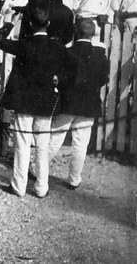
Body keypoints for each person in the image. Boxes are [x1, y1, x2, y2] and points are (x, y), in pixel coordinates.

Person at [0, 1, 68, 198]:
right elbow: (69, 68)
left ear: (31, 24)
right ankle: (42, 188)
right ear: (47, 24)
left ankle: (19, 186)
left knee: (22, 144)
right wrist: (58, 78)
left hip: (24, 101)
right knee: (42, 146)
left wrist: (11, 22)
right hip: (45, 102)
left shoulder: (24, 45)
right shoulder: (57, 47)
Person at [48, 18, 110, 189]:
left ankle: (36, 169)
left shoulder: (68, 52)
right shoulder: (100, 56)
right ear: (93, 34)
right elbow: (102, 80)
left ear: (76, 32)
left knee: (55, 138)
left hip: (68, 103)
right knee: (81, 144)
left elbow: (59, 78)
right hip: (89, 105)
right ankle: (74, 179)